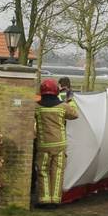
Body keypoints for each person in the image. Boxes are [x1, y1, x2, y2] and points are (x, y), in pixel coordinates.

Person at [34, 78, 79, 208]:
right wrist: (71, 99)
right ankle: (55, 200)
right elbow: (75, 114)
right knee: (57, 172)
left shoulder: (37, 107)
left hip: (43, 145)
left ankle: (45, 199)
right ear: (55, 91)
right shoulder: (62, 107)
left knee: (43, 172)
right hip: (60, 145)